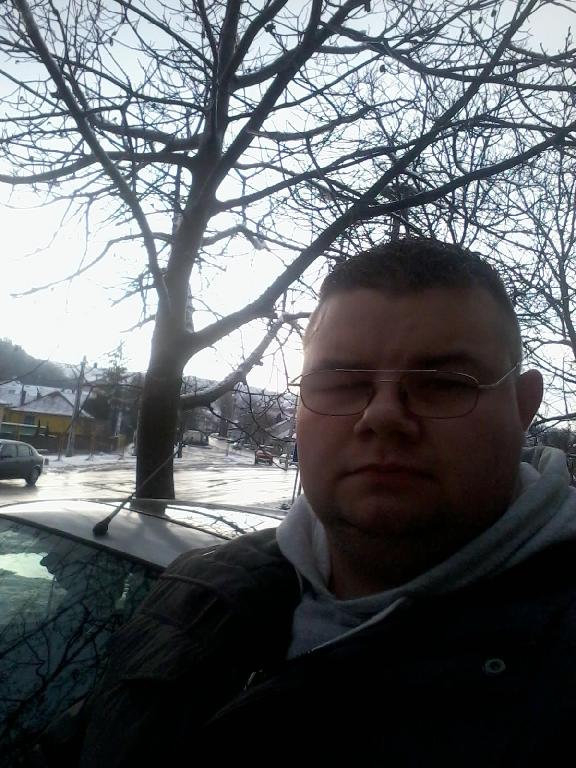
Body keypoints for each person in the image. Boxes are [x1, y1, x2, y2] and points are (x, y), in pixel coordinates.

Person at [76, 238, 576, 767]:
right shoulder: (197, 588)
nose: (382, 416)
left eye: (444, 383)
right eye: (341, 383)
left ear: (523, 406)